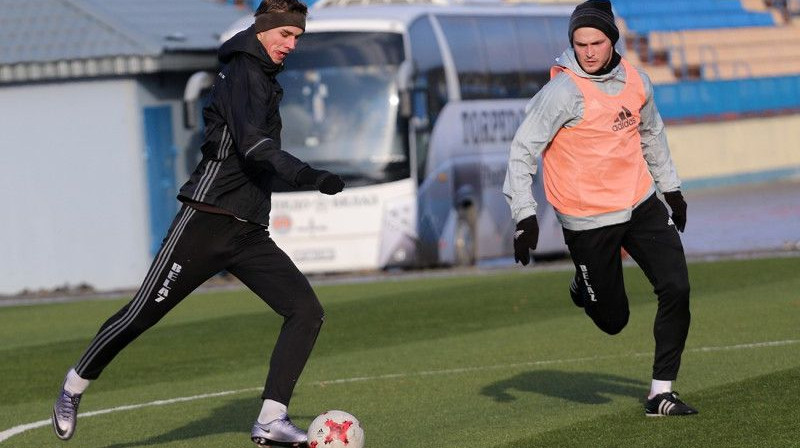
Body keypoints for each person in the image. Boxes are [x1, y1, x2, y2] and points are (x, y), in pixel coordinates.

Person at [51, 0, 344, 446]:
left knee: (306, 311)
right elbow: (254, 146)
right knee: (139, 316)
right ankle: (73, 387)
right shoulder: (244, 73)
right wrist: (309, 175)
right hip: (204, 221)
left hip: (247, 231)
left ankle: (270, 420)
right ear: (264, 30)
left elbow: (255, 160)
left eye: (297, 38)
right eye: (285, 35)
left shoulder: (263, 77)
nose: (291, 44)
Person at [503, 0, 697, 417]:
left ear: (612, 41)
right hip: (588, 219)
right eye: (579, 43)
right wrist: (525, 216)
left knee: (676, 288)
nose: (588, 51)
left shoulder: (637, 81)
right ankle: (582, 283)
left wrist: (672, 191)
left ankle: (660, 393)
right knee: (614, 321)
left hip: (640, 203)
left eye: (596, 42)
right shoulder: (562, 92)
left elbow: (653, 136)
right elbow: (522, 151)